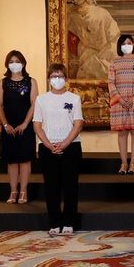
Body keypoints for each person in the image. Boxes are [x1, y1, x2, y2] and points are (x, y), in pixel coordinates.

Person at [33, 64, 84, 235]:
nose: (57, 79)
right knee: (51, 186)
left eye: (60, 76)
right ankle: (54, 222)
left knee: (70, 186)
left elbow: (78, 124)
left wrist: (65, 143)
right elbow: (37, 125)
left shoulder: (74, 98)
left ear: (66, 79)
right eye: (54, 76)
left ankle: (69, 222)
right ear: (48, 79)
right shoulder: (41, 99)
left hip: (71, 146)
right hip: (48, 148)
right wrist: (48, 144)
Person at [0, 50, 38, 204]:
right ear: (7, 64)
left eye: (17, 61)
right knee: (12, 160)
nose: (15, 64)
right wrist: (5, 124)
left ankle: (23, 191)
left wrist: (26, 123)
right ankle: (13, 191)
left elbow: (34, 104)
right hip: (9, 126)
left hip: (25, 126)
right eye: (11, 61)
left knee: (25, 160)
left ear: (23, 63)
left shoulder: (31, 81)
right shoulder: (3, 83)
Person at [107, 34, 134, 175]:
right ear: (119, 46)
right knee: (122, 133)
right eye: (124, 43)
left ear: (133, 44)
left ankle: (133, 164)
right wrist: (120, 98)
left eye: (129, 43)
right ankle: (123, 164)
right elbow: (111, 82)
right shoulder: (114, 62)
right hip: (119, 103)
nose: (127, 45)